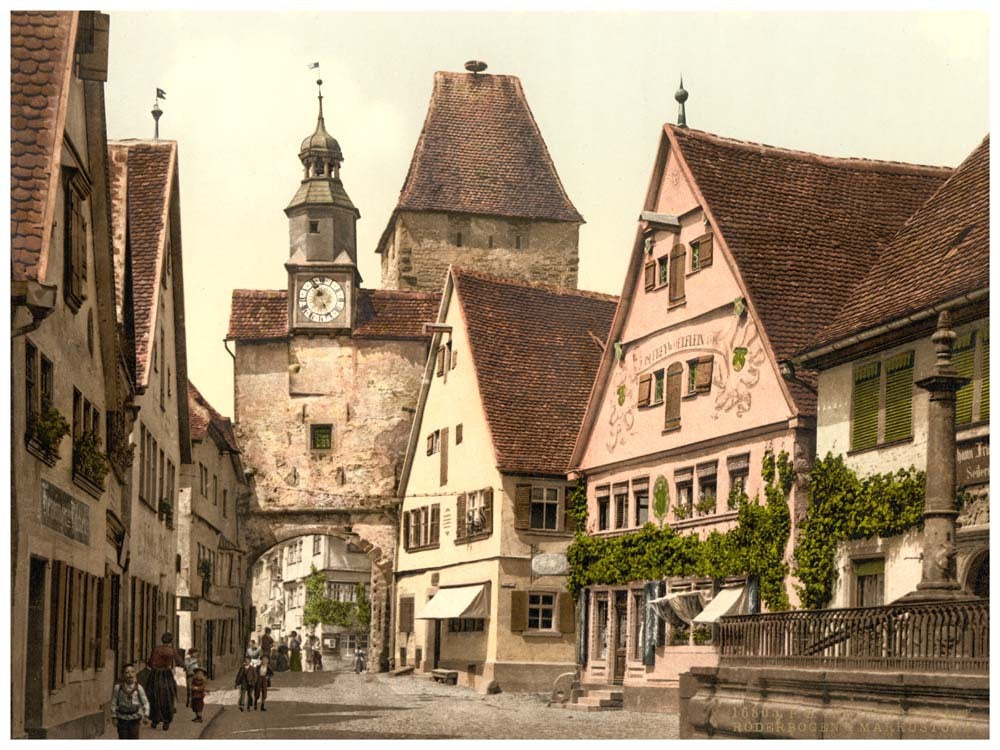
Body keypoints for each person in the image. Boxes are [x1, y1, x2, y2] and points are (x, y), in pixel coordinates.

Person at [144, 632, 179, 731]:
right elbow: (178, 660)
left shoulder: (156, 649)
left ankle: (155, 719)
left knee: (154, 696)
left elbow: (150, 662)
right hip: (166, 675)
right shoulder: (171, 650)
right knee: (168, 696)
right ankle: (166, 721)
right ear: (171, 641)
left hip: (155, 675)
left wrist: (152, 666)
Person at [111, 663, 149, 740]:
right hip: (122, 718)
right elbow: (114, 702)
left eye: (132, 672)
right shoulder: (118, 688)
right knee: (123, 737)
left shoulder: (138, 688)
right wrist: (114, 716)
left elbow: (145, 702)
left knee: (134, 736)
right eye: (127, 672)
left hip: (135, 718)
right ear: (123, 675)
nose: (130, 675)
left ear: (135, 674)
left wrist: (146, 715)